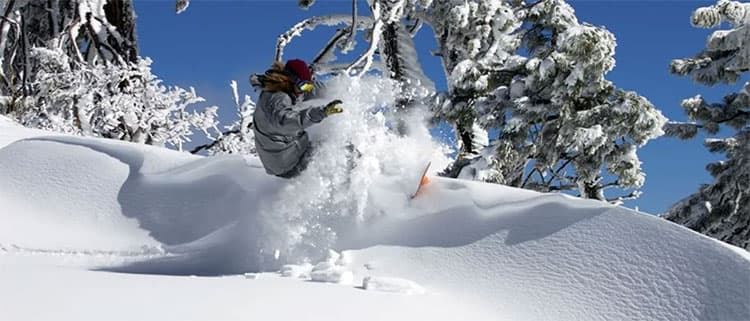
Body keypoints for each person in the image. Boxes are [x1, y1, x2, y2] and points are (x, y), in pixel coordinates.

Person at [250, 59, 344, 178]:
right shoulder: (276, 99)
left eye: (307, 85)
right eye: (304, 86)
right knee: (337, 146)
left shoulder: (289, 88)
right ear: (291, 79)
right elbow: (286, 121)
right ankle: (350, 187)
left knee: (328, 145)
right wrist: (322, 112)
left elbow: (311, 90)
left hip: (285, 153)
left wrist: (338, 89)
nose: (305, 90)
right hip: (286, 163)